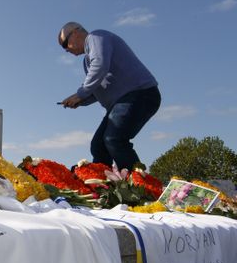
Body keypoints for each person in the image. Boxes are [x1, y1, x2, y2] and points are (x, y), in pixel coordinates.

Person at [57, 22, 161, 170]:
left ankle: (140, 185)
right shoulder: (87, 60)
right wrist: (79, 101)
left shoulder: (96, 37)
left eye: (65, 44)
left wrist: (79, 95)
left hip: (139, 94)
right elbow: (96, 91)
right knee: (99, 146)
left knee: (114, 139)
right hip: (121, 103)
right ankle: (103, 185)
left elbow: (99, 66)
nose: (66, 50)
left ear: (75, 32)